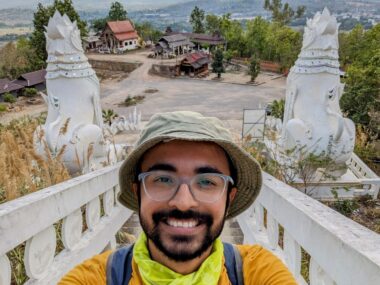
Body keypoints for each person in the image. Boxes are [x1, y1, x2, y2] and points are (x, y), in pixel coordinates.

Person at [59, 111, 297, 285]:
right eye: (162, 179)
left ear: (229, 198)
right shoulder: (100, 277)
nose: (183, 203)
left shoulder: (254, 272)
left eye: (207, 182)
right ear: (137, 192)